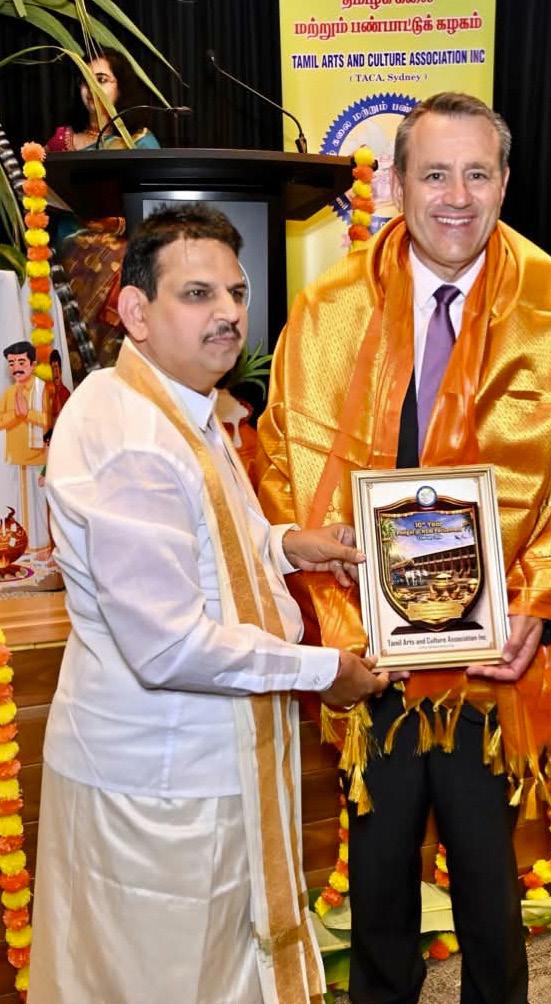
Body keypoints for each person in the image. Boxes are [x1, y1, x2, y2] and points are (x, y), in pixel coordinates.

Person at [256, 92, 551, 1004]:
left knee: (489, 883)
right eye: (434, 174)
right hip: (371, 648)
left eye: (476, 174)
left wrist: (536, 609)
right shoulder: (331, 308)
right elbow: (283, 461)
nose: (456, 197)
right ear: (395, 183)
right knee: (378, 876)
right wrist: (340, 623)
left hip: (495, 660)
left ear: (504, 181)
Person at [29, 204, 387, 1004]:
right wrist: (324, 670)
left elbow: (210, 547)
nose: (227, 312)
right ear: (135, 311)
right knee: (164, 979)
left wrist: (289, 545)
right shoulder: (134, 438)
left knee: (219, 964)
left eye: (236, 291)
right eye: (197, 294)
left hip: (203, 765)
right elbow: (169, 646)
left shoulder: (175, 403)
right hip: (160, 787)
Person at [45, 49, 160, 379]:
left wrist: (119, 224)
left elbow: (156, 207)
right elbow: (41, 195)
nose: (91, 88)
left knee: (118, 255)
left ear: (120, 87)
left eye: (102, 79)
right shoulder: (62, 141)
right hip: (66, 251)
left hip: (124, 249)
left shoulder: (139, 142)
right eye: (85, 81)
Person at [0, 340, 50, 555]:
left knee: (39, 507)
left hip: (38, 460)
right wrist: (16, 415)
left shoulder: (44, 390)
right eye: (12, 363)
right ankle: (23, 550)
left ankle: (42, 547)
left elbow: (50, 421)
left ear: (33, 364)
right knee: (17, 507)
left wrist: (27, 413)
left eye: (21, 362)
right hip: (15, 460)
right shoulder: (9, 393)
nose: (16, 368)